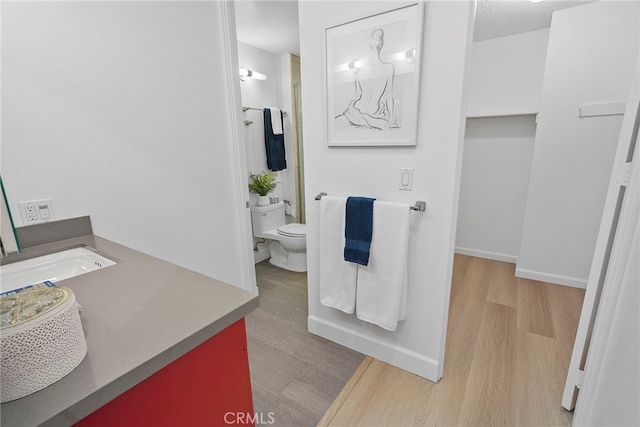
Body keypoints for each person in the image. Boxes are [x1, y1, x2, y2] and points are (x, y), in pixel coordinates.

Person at [340, 29, 399, 131]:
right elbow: (389, 97)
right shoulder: (388, 68)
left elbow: (357, 95)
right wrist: (391, 120)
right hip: (366, 112)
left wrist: (391, 120)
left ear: (368, 48)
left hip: (359, 111)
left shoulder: (359, 69)